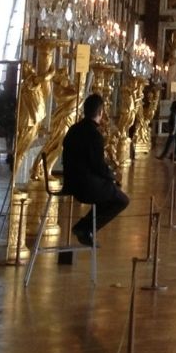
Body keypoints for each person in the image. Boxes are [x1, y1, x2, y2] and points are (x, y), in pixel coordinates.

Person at [61, 94, 130, 246]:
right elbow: (98, 166)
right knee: (122, 200)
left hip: (69, 182)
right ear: (100, 112)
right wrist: (113, 176)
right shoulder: (94, 135)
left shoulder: (73, 129)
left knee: (110, 192)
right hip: (85, 186)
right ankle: (85, 228)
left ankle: (85, 228)